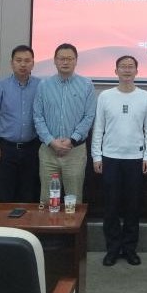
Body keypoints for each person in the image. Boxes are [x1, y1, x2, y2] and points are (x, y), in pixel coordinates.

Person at [92, 56, 147, 267]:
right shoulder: (105, 96)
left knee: (133, 207)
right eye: (123, 67)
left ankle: (129, 249)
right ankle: (112, 249)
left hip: (135, 159)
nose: (127, 70)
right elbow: (98, 128)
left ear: (137, 71)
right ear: (116, 71)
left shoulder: (145, 97)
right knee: (110, 207)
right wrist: (96, 156)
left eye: (130, 67)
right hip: (110, 158)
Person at [33, 43, 96, 204]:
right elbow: (38, 117)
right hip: (48, 150)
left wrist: (71, 140)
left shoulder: (86, 85)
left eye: (70, 58)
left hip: (75, 151)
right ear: (55, 60)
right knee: (47, 200)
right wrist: (51, 141)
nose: (65, 62)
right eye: (61, 58)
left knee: (73, 200)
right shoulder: (44, 85)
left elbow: (89, 116)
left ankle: (72, 223)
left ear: (76, 61)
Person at [0, 45, 41, 202]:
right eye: (18, 60)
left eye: (27, 61)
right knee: (4, 193)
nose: (23, 64)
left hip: (32, 147)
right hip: (6, 148)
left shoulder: (41, 85)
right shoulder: (0, 85)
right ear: (11, 63)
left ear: (33, 63)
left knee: (28, 194)